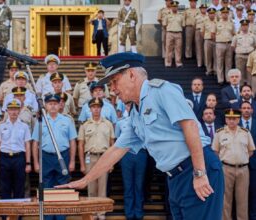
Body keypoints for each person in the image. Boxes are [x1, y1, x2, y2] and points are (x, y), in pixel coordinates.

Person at [57, 52, 224, 220]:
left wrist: (200, 173)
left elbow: (190, 126)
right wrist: (85, 180)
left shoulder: (161, 90)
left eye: (115, 82)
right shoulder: (135, 114)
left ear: (131, 75)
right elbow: (116, 150)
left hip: (196, 168)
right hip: (176, 178)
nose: (113, 90)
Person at [32, 93, 77, 220]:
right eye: (50, 104)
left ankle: (60, 217)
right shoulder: (41, 122)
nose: (52, 106)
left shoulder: (67, 121)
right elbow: (35, 142)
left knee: (63, 188)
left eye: (55, 103)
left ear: (59, 105)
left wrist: (72, 161)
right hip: (46, 157)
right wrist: (35, 162)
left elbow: (72, 141)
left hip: (62, 157)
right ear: (45, 105)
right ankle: (48, 217)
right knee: (46, 188)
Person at [212, 108, 255, 220]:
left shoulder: (245, 133)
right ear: (226, 119)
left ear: (238, 119)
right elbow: (215, 151)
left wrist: (241, 158)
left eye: (234, 119)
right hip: (226, 168)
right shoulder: (220, 133)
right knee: (226, 200)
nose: (231, 121)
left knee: (242, 199)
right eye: (229, 118)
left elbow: (250, 151)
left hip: (243, 170)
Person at [78, 97, 114, 220]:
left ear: (101, 108)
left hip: (104, 157)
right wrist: (82, 164)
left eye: (98, 107)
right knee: (91, 187)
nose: (96, 109)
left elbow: (112, 144)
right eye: (94, 107)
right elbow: (81, 145)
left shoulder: (108, 124)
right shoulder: (85, 125)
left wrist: (111, 162)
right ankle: (92, 212)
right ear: (90, 109)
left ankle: (101, 213)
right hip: (90, 157)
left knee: (102, 187)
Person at [116, 102, 147, 220]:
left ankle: (138, 214)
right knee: (128, 185)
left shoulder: (143, 121)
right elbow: (117, 141)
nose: (129, 108)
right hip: (126, 154)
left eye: (131, 106)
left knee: (139, 185)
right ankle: (129, 214)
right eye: (128, 106)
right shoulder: (120, 122)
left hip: (141, 153)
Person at [0, 99, 31, 200]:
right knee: (5, 187)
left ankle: (18, 215)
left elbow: (27, 144)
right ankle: (5, 215)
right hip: (4, 157)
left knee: (19, 186)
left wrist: (28, 162)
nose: (13, 112)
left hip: (19, 157)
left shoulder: (24, 126)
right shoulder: (1, 126)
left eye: (16, 109)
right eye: (11, 109)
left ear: (19, 110)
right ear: (7, 111)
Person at [232, 19, 256, 85]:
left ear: (248, 26)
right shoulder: (237, 36)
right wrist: (239, 52)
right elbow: (233, 46)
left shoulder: (253, 36)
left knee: (250, 73)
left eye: (246, 25)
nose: (244, 27)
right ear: (241, 26)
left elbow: (255, 45)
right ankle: (240, 88)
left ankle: (250, 88)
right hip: (240, 56)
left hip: (250, 56)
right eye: (243, 25)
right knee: (240, 73)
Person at [215, 7, 235, 84]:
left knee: (228, 62)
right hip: (220, 44)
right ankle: (220, 79)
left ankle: (228, 79)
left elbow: (234, 34)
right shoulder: (217, 23)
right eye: (223, 13)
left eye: (226, 13)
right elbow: (213, 34)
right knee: (219, 62)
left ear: (228, 14)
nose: (225, 14)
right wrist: (218, 41)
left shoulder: (231, 23)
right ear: (221, 14)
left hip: (229, 44)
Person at [163, 1, 185, 68]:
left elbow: (183, 25)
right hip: (170, 33)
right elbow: (164, 25)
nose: (174, 8)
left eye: (176, 6)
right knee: (169, 48)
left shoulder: (181, 16)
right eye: (173, 6)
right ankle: (168, 63)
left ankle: (178, 63)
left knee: (178, 49)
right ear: (171, 7)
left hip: (178, 33)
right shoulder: (167, 15)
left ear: (177, 7)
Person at [202, 8, 217, 75]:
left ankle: (215, 70)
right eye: (210, 14)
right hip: (208, 40)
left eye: (213, 13)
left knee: (216, 56)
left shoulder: (218, 21)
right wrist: (206, 38)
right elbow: (202, 32)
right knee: (208, 56)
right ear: (208, 14)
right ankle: (209, 70)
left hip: (216, 41)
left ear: (215, 14)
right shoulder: (205, 22)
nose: (212, 15)